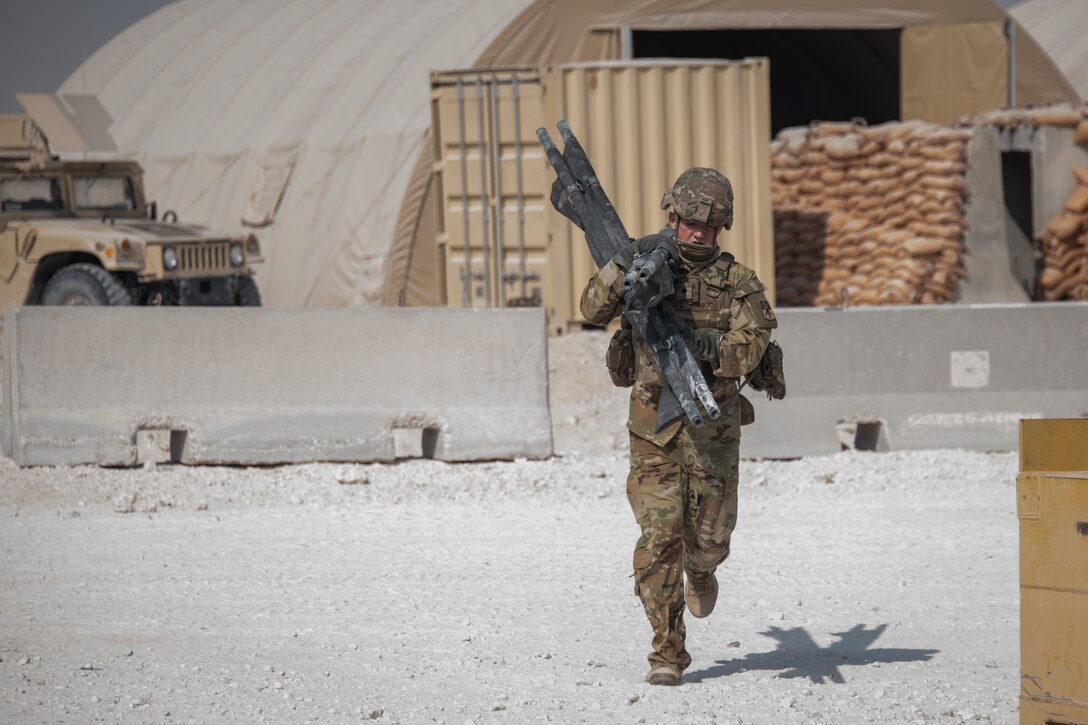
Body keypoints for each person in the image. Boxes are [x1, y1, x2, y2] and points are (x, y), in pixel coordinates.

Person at [579, 167, 777, 687]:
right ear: (673, 217)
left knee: (710, 539)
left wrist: (704, 345)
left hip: (712, 433)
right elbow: (592, 308)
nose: (699, 233)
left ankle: (703, 570)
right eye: (691, 223)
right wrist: (624, 260)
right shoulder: (642, 264)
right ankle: (667, 652)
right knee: (660, 536)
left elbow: (751, 346)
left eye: (709, 227)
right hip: (654, 431)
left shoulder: (737, 282)